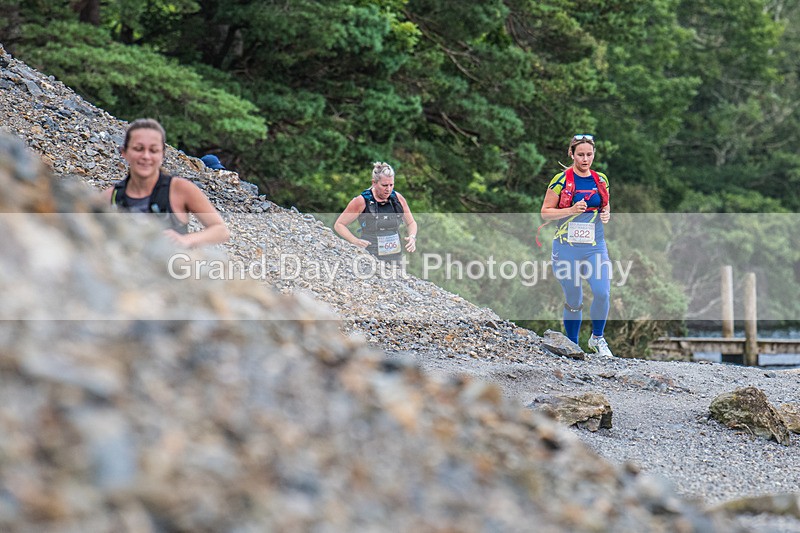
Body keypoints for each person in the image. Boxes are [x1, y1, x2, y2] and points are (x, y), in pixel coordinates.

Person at [103, 118, 230, 247]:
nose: (146, 156)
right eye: (138, 149)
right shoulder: (111, 196)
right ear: (124, 152)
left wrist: (186, 240)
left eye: (153, 150)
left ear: (162, 155)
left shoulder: (180, 189)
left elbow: (221, 230)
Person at [540, 134, 613, 357]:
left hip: (594, 246)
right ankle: (572, 344)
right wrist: (570, 210)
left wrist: (607, 213)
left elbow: (605, 204)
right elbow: (545, 213)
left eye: (589, 155)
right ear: (571, 154)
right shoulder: (560, 180)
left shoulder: (601, 179)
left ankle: (597, 338)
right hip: (566, 248)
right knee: (574, 298)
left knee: (602, 292)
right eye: (580, 155)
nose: (585, 159)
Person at [334, 161, 417, 262]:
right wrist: (354, 240)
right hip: (370, 255)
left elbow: (411, 223)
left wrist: (412, 237)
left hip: (395, 256)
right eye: (384, 185)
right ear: (374, 183)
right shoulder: (361, 201)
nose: (388, 189)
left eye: (391, 185)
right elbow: (339, 224)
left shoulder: (397, 198)